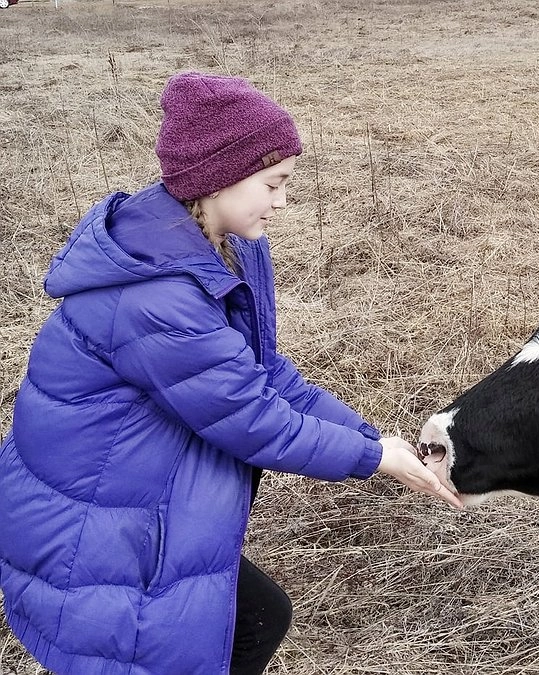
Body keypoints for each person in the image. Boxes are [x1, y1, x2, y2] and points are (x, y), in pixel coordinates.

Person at [0, 71, 461, 675]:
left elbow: (264, 373)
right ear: (219, 177)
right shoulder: (158, 296)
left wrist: (374, 438)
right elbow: (251, 417)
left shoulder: (221, 244)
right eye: (273, 183)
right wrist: (374, 460)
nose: (283, 201)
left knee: (254, 622)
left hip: (136, 504)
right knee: (175, 650)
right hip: (97, 533)